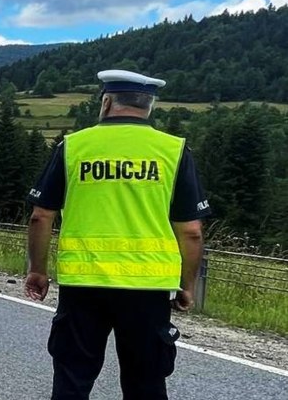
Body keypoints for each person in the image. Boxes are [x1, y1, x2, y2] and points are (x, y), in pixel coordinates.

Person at [25, 69, 211, 400]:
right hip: (148, 290)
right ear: (149, 105)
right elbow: (192, 231)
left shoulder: (73, 146)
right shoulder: (173, 150)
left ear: (107, 102)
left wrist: (37, 270)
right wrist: (187, 284)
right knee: (146, 385)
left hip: (83, 284)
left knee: (72, 381)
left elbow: (41, 216)